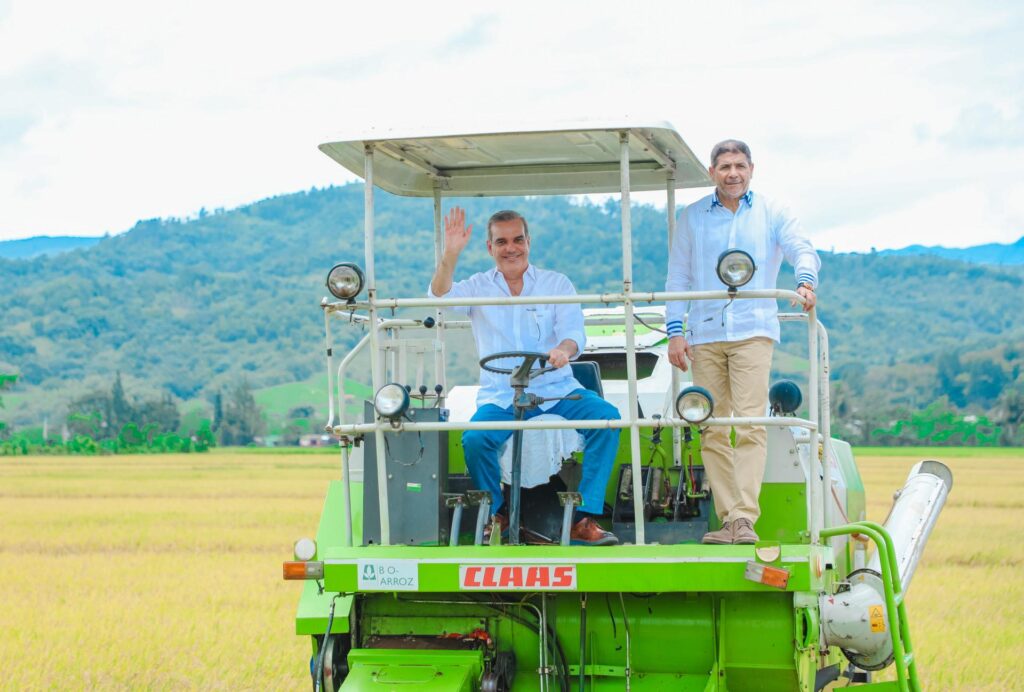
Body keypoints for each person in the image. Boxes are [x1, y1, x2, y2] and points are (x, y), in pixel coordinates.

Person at [429, 207, 620, 546]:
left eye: (517, 239)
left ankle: (583, 518)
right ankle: (496, 514)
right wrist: (450, 254)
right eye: (501, 242)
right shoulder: (476, 287)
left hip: (554, 390)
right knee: (475, 440)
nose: (510, 248)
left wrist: (563, 350)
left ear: (528, 242)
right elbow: (439, 299)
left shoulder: (556, 283)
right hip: (503, 394)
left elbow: (574, 332)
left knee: (607, 419)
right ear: (490, 248)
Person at [665, 139, 820, 545]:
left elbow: (801, 248)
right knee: (711, 426)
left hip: (753, 330)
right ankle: (729, 518)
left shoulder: (773, 211)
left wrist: (804, 281)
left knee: (751, 423)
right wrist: (675, 331)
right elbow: (678, 276)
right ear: (712, 172)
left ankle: (746, 520)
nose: (732, 172)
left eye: (739, 165)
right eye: (724, 166)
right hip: (706, 332)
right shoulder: (694, 217)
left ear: (752, 168)